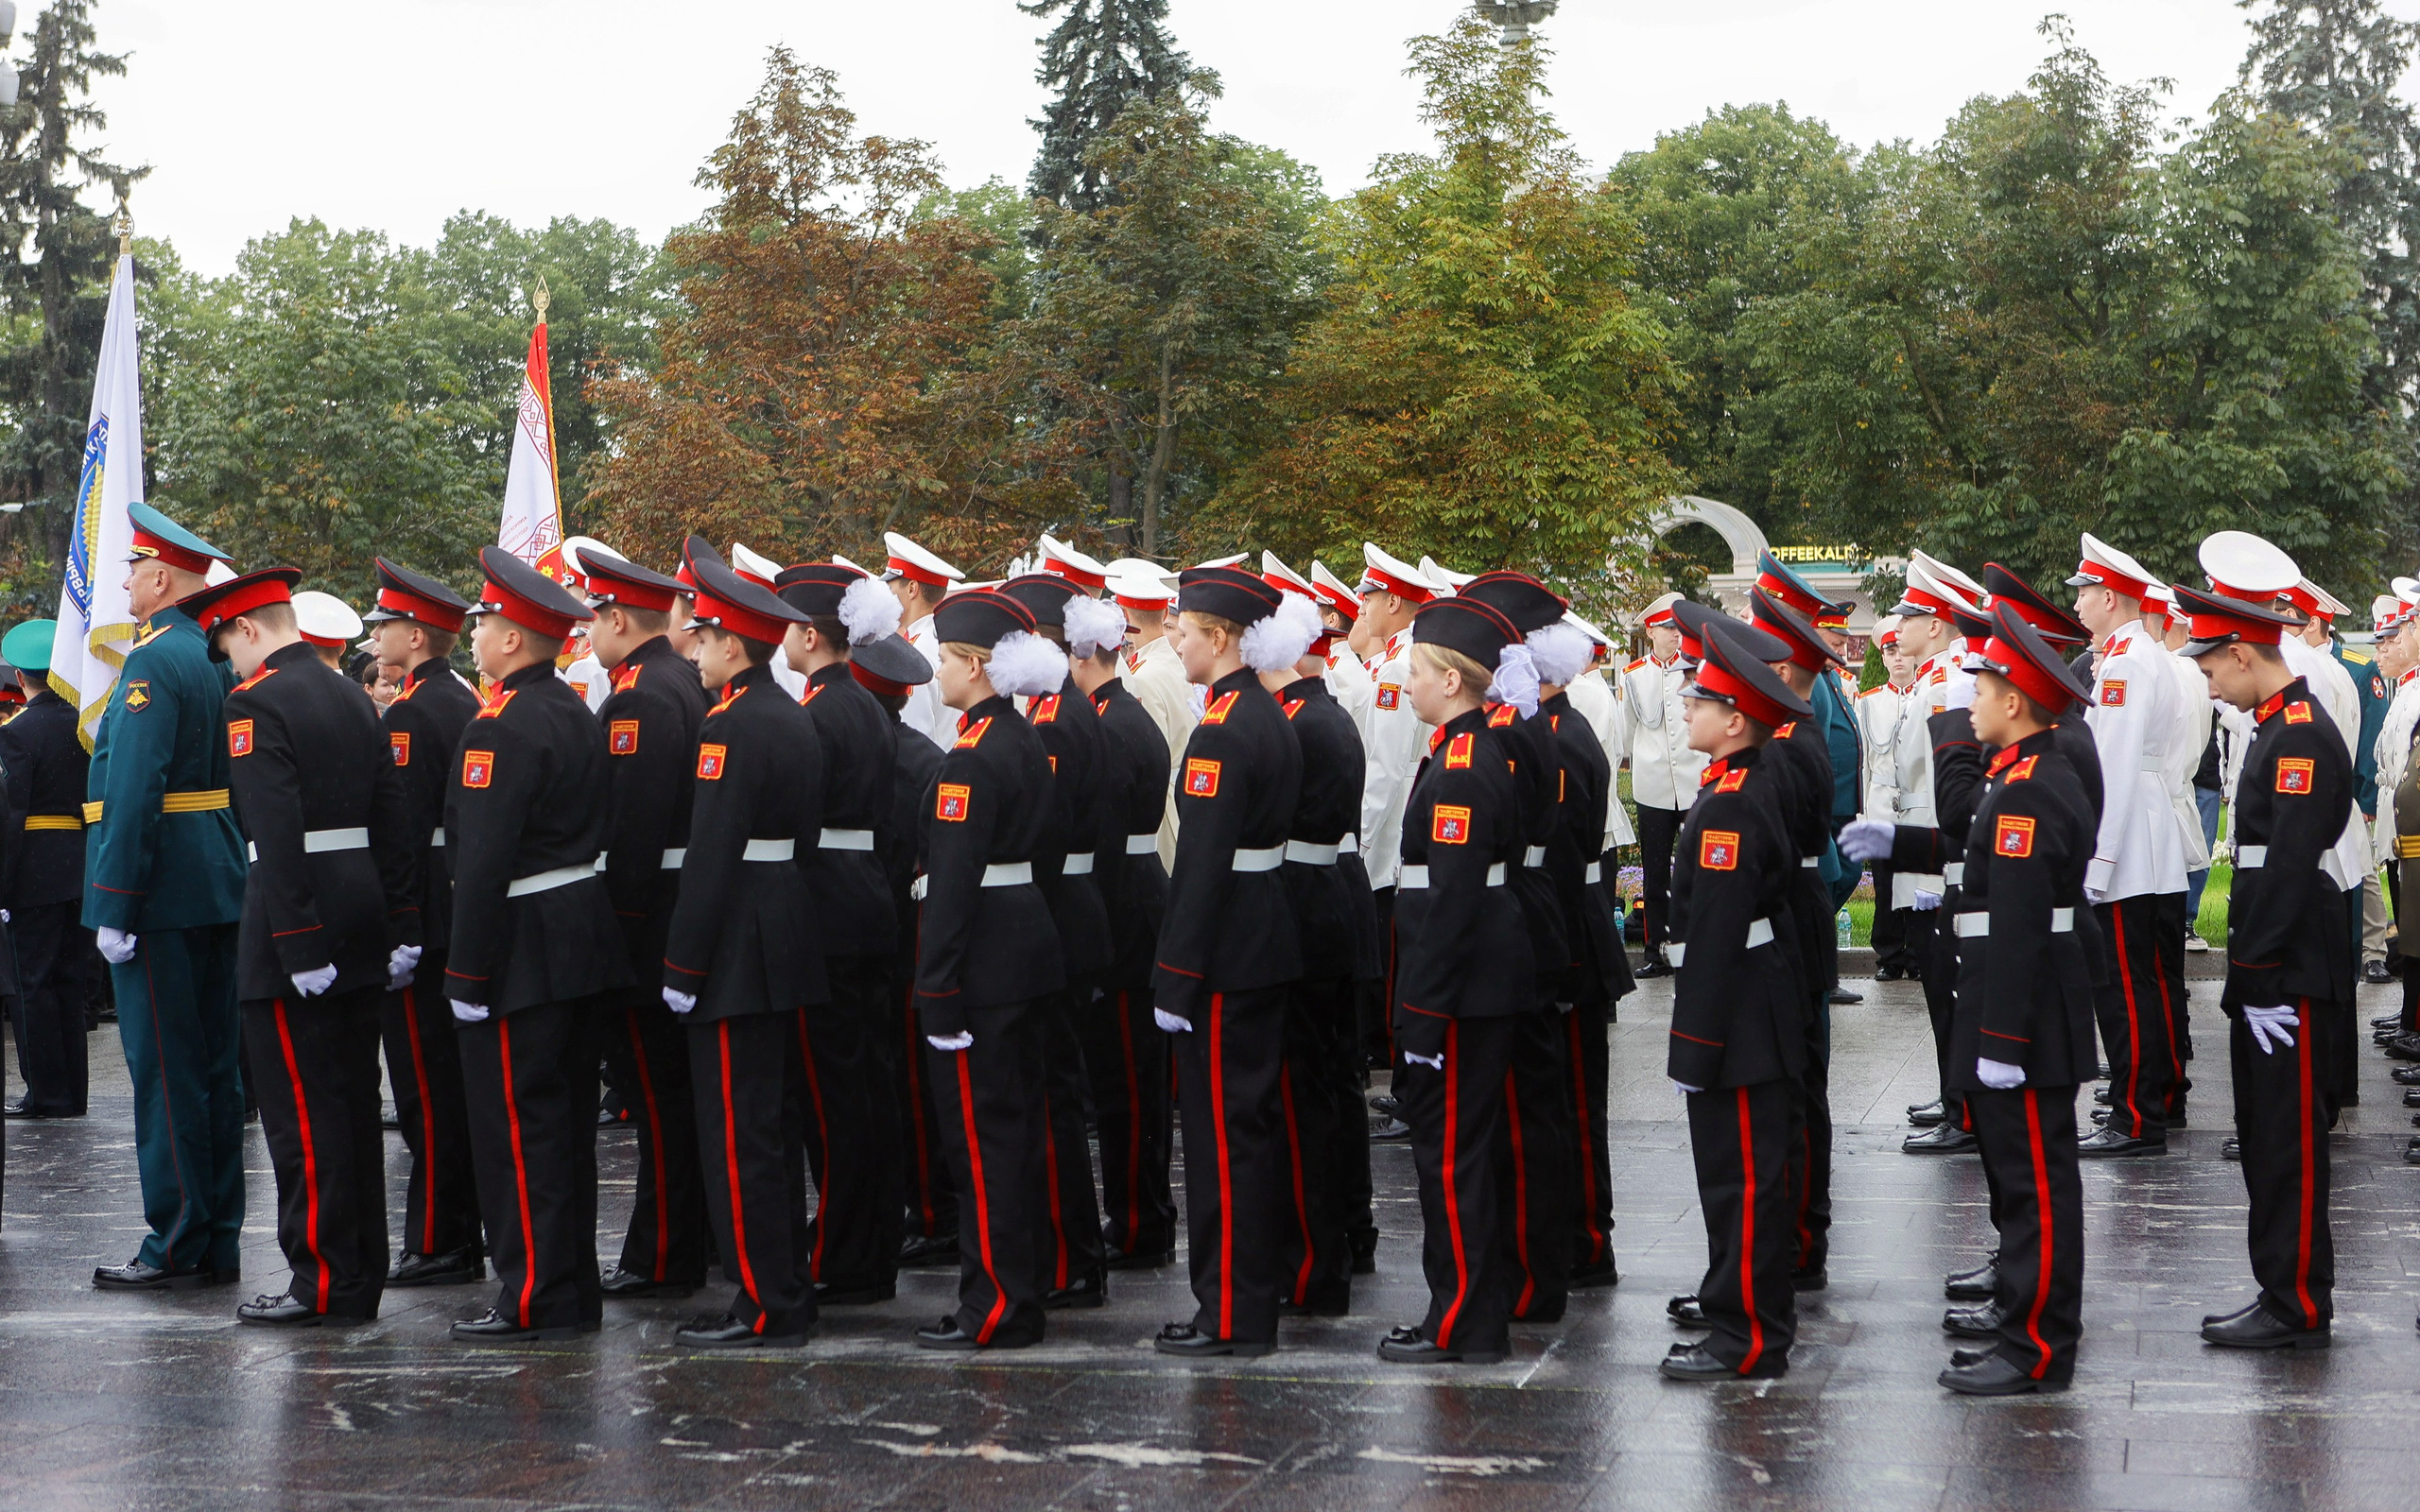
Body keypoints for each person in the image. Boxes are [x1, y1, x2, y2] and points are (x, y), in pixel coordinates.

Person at [192, 566, 421, 1327]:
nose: (228, 659)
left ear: (248, 628)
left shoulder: (255, 702)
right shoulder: (355, 697)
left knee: (302, 1115)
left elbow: (275, 832)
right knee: (354, 1104)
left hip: (300, 924)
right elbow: (393, 820)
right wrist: (401, 921)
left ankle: (321, 1279)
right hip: (360, 915)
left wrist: (294, 943)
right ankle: (360, 1276)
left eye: (226, 642)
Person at [442, 547, 631, 1342]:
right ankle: (570, 1288)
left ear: (514, 638)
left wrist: (465, 968)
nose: (477, 635)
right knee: (560, 1130)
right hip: (578, 934)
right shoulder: (572, 710)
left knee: (518, 1129)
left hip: (522, 944)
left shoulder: (504, 723)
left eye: (485, 623)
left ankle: (533, 1295)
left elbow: (482, 861)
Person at [2174, 580, 2350, 1349]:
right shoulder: (2277, 725)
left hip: (2289, 968)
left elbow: (2286, 867)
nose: (2208, 684)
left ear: (2243, 654)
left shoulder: (2301, 734)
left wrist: (2251, 973)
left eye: (2213, 669)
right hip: (2274, 959)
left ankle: (2299, 1303)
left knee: (2289, 1142)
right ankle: (2280, 1287)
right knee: (2266, 1130)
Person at [659, 548, 824, 1349]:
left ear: (733, 647)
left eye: (703, 639)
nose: (692, 651)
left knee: (739, 1134)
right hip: (785, 931)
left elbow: (713, 852)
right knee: (773, 1126)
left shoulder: (727, 724)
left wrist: (683, 965)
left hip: (736, 948)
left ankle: (765, 1301)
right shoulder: (793, 715)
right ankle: (785, 1282)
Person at [1932, 605, 2099, 1395]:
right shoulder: (2022, 775)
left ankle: (2036, 1346)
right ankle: (2024, 1329)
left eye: (1984, 688)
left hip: (2025, 1017)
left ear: (2016, 704)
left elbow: (2023, 920)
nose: (1971, 702)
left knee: (2036, 1186)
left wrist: (1999, 1040)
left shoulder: (2029, 790)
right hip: (2026, 1009)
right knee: (2032, 1180)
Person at [86, 503, 251, 1293]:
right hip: (211, 881)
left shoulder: (153, 662)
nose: (123, 580)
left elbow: (135, 787)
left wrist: (113, 900)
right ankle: (216, 1235)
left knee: (166, 1071)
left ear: (159, 577)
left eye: (130, 568)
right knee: (215, 1068)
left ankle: (177, 1241)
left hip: (159, 891)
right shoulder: (211, 657)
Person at [1153, 565, 1308, 1359]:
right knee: (1245, 1129)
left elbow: (1205, 862)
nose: (1174, 639)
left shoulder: (1222, 728)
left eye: (1182, 630)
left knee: (1223, 1138)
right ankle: (1245, 1299)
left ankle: (1233, 1311)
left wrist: (1175, 972)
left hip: (1227, 950)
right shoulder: (1267, 713)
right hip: (1262, 935)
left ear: (1218, 638)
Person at [908, 589, 1067, 1351]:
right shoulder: (1023, 739)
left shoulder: (972, 758)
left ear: (975, 665)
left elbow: (952, 884)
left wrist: (934, 987)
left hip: (985, 963)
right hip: (1026, 945)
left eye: (944, 659)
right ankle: (1017, 1291)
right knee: (1016, 1134)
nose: (937, 672)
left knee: (983, 1142)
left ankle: (995, 1305)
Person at [1379, 593, 1535, 1366]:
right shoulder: (1459, 749)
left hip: (1465, 990)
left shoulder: (1467, 763)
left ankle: (1465, 1320)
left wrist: (1422, 1015)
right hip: (1471, 984)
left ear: (1451, 680)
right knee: (1461, 1154)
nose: (1405, 684)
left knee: (1453, 1158)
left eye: (1415, 672)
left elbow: (1453, 902)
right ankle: (1466, 1309)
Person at [1658, 616, 1812, 1382]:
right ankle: (1738, 1316)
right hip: (1751, 1008)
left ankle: (1748, 1336)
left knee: (1742, 1183)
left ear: (1736, 719)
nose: (1687, 707)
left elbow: (1717, 937)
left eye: (1701, 699)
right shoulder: (1730, 786)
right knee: (1737, 1179)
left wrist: (1693, 1045)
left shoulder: (1732, 804)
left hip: (1740, 1016)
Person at [775, 560, 919, 1306]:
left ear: (808, 636)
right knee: (869, 1088)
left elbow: (799, 823)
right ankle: (869, 1248)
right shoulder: (864, 706)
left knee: (833, 1100)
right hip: (868, 902)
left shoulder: (820, 713)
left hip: (827, 912)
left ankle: (839, 1253)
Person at [577, 544, 713, 1302]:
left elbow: (629, 833)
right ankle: (684, 1242)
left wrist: (615, 930)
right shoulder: (678, 680)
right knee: (672, 1096)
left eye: (594, 614)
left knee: (657, 1102)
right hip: (672, 911)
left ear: (617, 617)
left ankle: (663, 1254)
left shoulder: (640, 698)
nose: (590, 629)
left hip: (648, 922)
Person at [363, 558, 489, 1288]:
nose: (378, 638)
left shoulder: (412, 712)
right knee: (447, 1084)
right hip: (455, 905)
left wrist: (400, 925)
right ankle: (456, 1230)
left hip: (427, 916)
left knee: (425, 1091)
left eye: (385, 626)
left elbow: (404, 831)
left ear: (415, 634)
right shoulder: (463, 697)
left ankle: (441, 1237)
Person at [997, 573, 1118, 1313]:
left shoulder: (1052, 722)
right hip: (1076, 907)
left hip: (1059, 913)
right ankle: (1073, 1254)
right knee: (1057, 1097)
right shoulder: (1068, 710)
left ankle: (1070, 1257)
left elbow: (1041, 833)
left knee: (1052, 1101)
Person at [1256, 558, 1366, 1315]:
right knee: (1329, 1090)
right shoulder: (1323, 715)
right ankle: (1342, 1238)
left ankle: (1313, 1263)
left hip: (1306, 910)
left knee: (1308, 1097)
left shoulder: (1305, 724)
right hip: (1329, 906)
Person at [2067, 534, 2190, 1157]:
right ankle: (2157, 1097)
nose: (2079, 605)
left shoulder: (2123, 663)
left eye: (2084, 593)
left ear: (2110, 597)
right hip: (2147, 830)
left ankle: (2135, 1116)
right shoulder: (2138, 655)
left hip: (2127, 840)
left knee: (2124, 985)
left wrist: (2097, 862)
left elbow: (2109, 769)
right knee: (2149, 979)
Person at [1069, 584, 1178, 1272]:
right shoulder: (1126, 712)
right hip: (1141, 898)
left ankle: (1139, 1221)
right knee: (1132, 1077)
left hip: (1125, 908)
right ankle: (1140, 1215)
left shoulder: (1107, 725)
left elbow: (1105, 837)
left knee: (1128, 1084)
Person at [1743, 589, 1848, 1289]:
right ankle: (1799, 1237)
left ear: (1780, 670)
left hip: (1791, 915)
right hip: (1802, 907)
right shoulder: (1795, 730)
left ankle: (1799, 1242)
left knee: (1796, 1083)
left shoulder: (1785, 744)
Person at [1530, 609, 1633, 1291]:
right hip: (1567, 933)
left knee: (1575, 1102)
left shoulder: (1562, 739)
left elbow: (1563, 858)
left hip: (1573, 940)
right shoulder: (1554, 730)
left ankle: (1588, 1242)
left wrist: (1559, 958)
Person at [857, 631, 958, 1268]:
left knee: (905, 1080)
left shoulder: (880, 754)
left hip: (893, 927)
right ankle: (923, 1203)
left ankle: (930, 1211)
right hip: (903, 922)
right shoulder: (923, 753)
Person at [1, 619, 94, 1121]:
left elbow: (11, 816)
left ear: (20, 677)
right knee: (69, 982)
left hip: (33, 872)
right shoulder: (88, 725)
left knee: (30, 984)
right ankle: (73, 1093)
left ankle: (46, 1093)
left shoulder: (17, 733)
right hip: (81, 865)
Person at [1621, 593, 1700, 976]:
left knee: (1700, 869)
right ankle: (1655, 951)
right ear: (1650, 631)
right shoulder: (1633, 674)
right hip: (1652, 785)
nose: (1675, 636)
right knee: (1654, 874)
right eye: (1667, 629)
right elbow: (1627, 732)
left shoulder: (1697, 670)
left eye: (1678, 628)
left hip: (1694, 781)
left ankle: (1697, 944)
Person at [1858, 618, 1917, 981]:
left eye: (1901, 651)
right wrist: (1863, 813)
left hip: (1916, 803)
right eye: (1889, 652)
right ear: (1882, 658)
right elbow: (1864, 761)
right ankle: (1890, 956)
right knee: (1885, 885)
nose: (1897, 659)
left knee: (1918, 882)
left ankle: (1917, 954)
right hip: (1881, 801)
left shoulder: (1928, 694)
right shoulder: (1868, 702)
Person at [882, 531, 965, 752]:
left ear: (912, 589)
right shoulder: (946, 640)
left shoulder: (916, 651)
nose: (887, 594)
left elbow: (915, 738)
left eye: (891, 586)